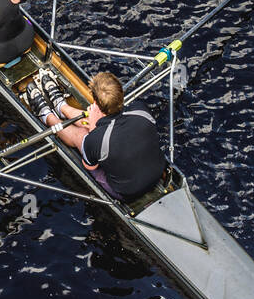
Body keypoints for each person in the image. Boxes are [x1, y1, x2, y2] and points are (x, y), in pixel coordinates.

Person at [27, 69, 165, 202]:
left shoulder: (97, 140)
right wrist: (95, 126)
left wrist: (93, 130)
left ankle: (46, 116)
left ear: (95, 102)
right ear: (121, 94)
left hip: (126, 192)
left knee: (82, 136)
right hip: (156, 172)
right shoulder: (141, 109)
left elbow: (90, 167)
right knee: (94, 134)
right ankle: (61, 106)